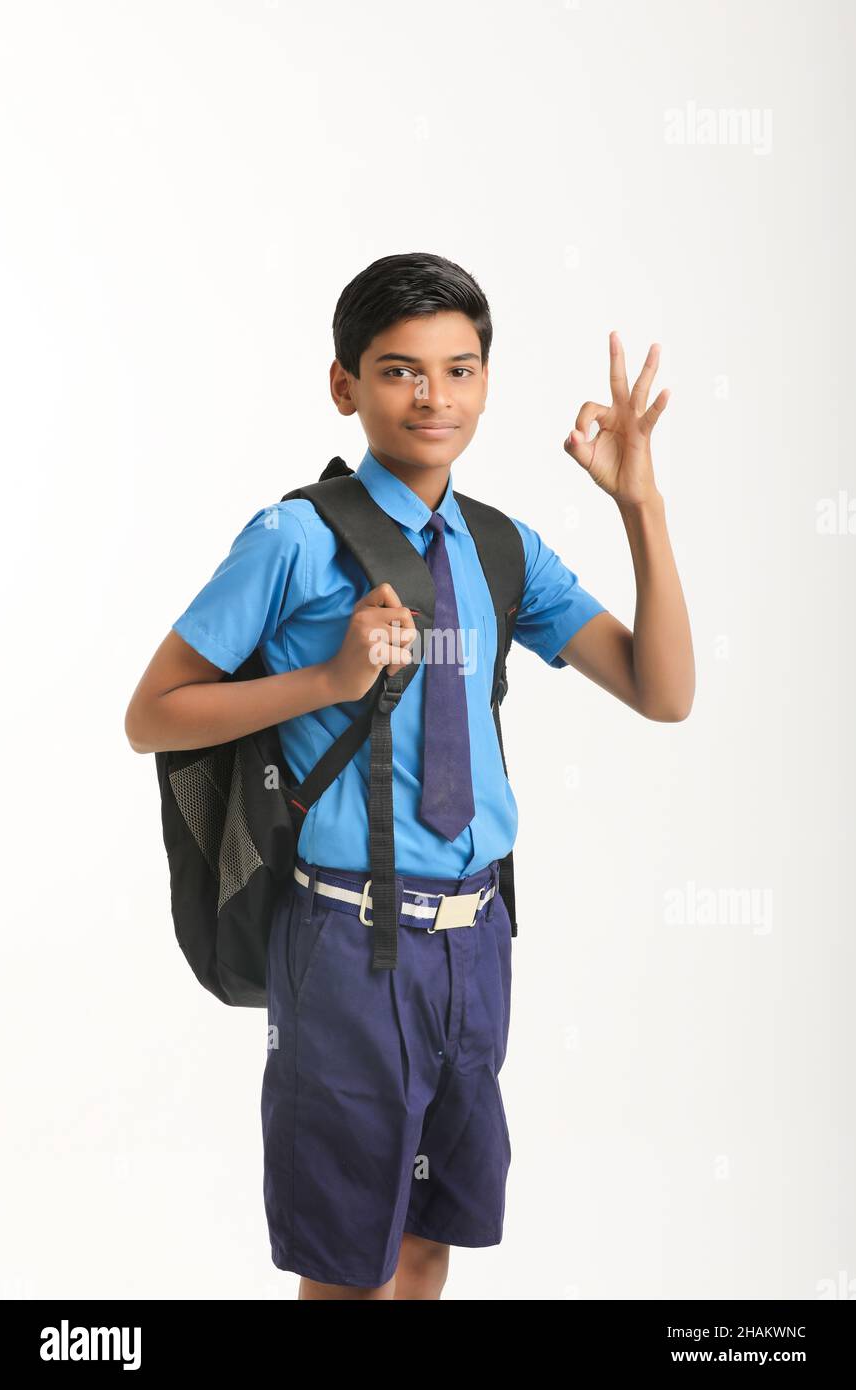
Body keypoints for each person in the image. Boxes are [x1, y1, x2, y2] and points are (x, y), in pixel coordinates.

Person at [125, 251, 694, 1300]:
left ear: (485, 380)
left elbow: (661, 691)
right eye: (398, 370)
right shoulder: (293, 536)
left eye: (458, 368)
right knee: (349, 1263)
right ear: (344, 386)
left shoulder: (498, 546)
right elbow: (151, 713)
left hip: (476, 940)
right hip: (346, 941)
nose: (432, 395)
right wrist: (327, 677)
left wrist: (639, 506)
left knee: (427, 1241)